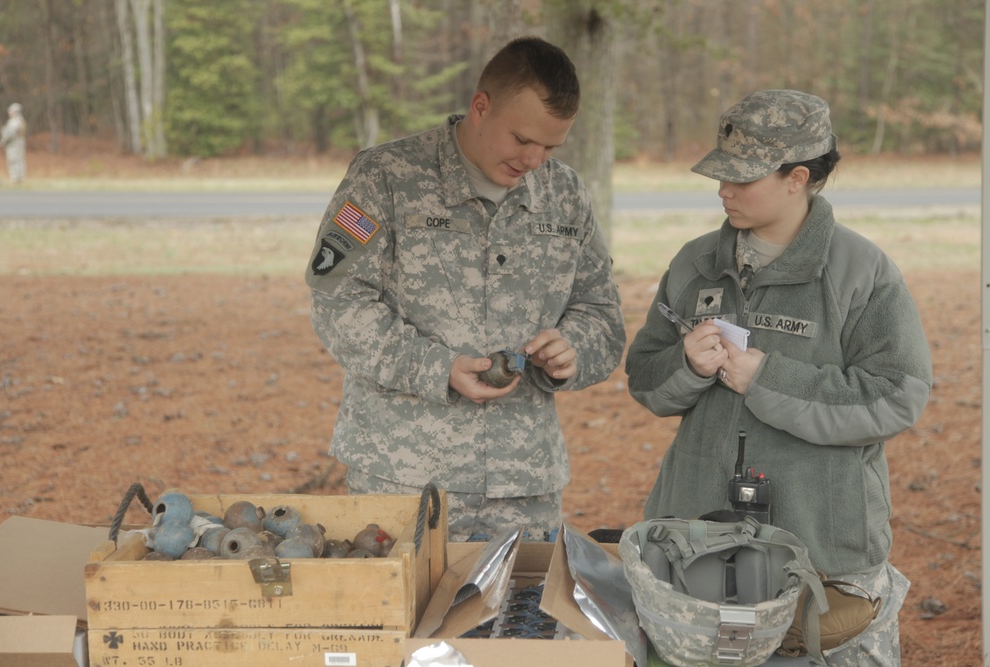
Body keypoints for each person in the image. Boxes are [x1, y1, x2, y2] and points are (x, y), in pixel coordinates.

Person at [624, 89, 932, 665]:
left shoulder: (860, 272)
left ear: (797, 178)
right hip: (698, 547)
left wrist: (769, 378)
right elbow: (644, 377)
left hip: (821, 555)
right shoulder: (694, 264)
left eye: (742, 178)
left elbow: (898, 394)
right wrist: (686, 365)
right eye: (721, 176)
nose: (723, 191)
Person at [304, 36, 625, 542]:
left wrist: (573, 349)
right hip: (405, 477)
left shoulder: (564, 195)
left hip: (523, 485)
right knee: (404, 619)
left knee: (519, 618)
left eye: (550, 146)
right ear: (480, 107)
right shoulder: (386, 177)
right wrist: (436, 369)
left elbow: (600, 314)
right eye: (522, 139)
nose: (535, 159)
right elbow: (338, 303)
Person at [0, 103, 26, 184]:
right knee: (19, 160)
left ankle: (15, 179)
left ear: (15, 111)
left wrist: (3, 141)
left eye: (11, 111)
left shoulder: (15, 121)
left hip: (14, 144)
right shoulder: (20, 120)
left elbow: (10, 133)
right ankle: (19, 178)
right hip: (18, 143)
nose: (9, 113)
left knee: (13, 160)